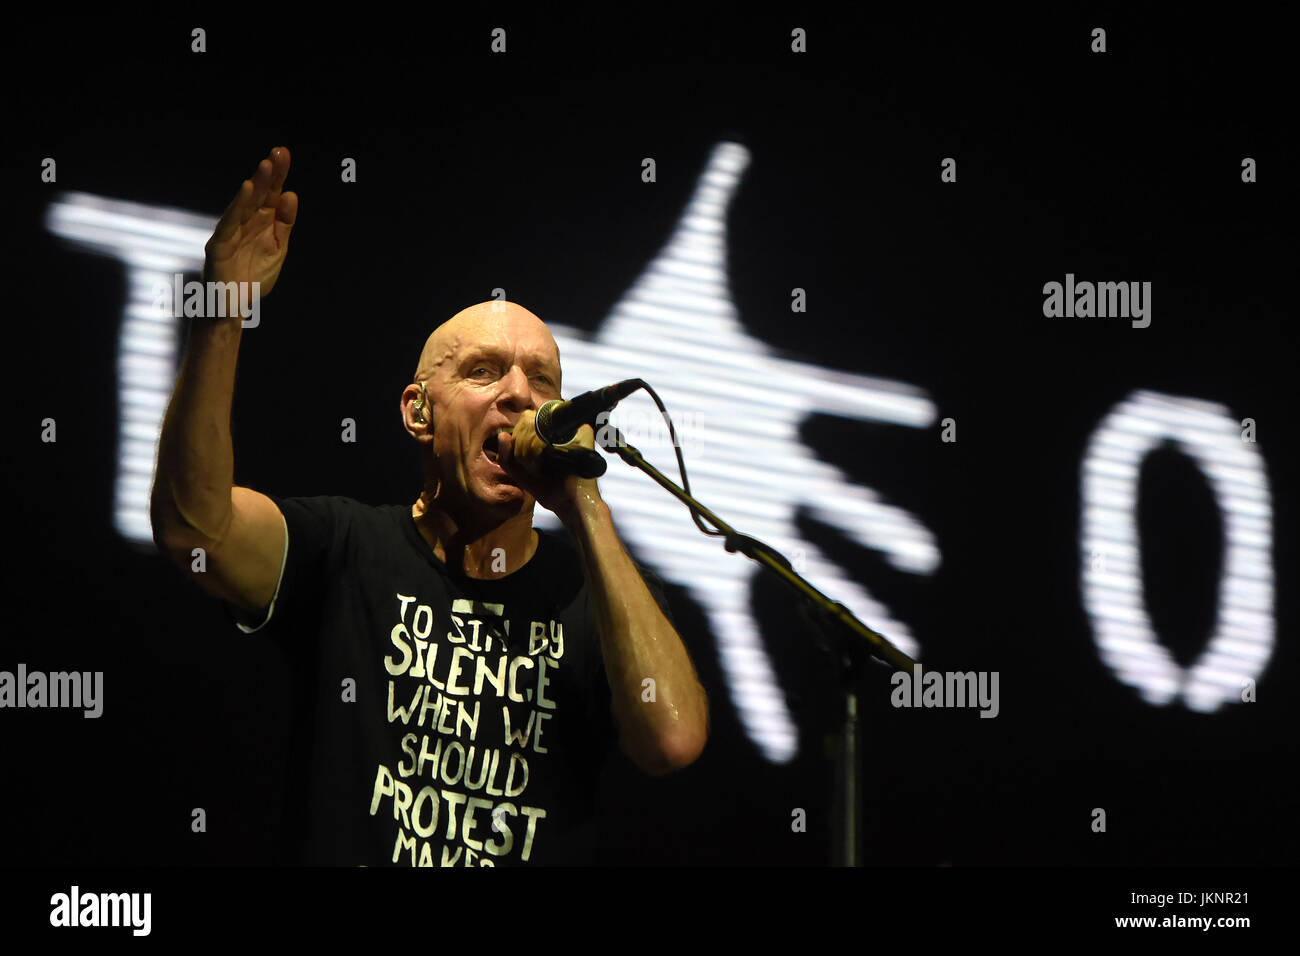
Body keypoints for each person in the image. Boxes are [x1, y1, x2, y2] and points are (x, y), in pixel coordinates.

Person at [150, 147, 709, 866]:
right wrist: (221, 316)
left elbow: (672, 740)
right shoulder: (346, 548)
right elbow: (194, 528)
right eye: (483, 372)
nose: (517, 395)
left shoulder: (593, 592)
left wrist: (585, 507)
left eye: (541, 381)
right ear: (418, 412)